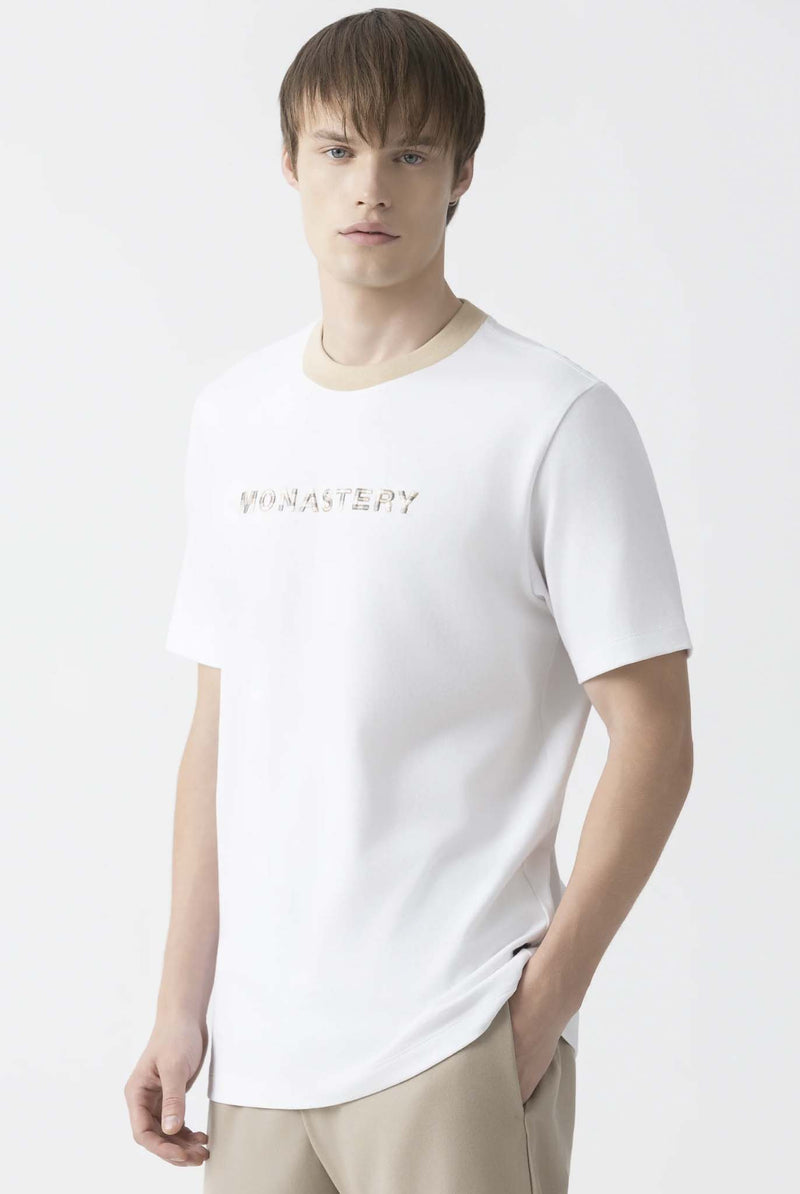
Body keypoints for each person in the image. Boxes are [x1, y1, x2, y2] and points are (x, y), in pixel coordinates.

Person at [124, 9, 694, 1192]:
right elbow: (218, 729)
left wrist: (534, 1013)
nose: (368, 186)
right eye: (337, 149)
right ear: (290, 164)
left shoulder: (550, 417)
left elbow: (653, 735)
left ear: (461, 176)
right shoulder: (234, 417)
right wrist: (181, 1004)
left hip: (452, 1034)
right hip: (258, 1058)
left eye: (409, 152)